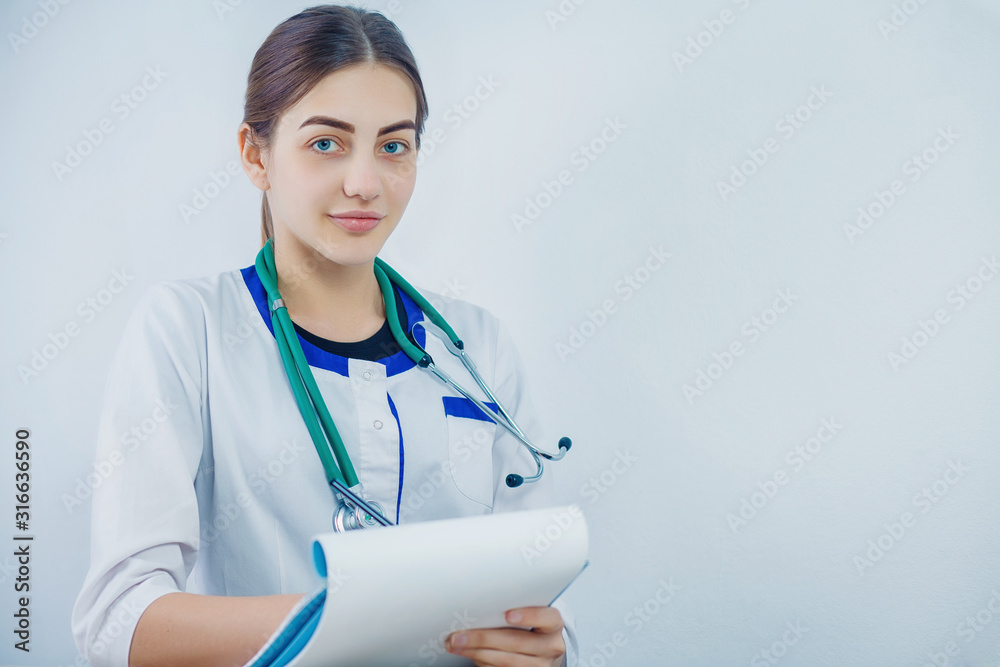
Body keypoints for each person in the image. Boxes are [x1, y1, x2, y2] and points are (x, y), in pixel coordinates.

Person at [70, 5, 578, 667]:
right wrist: (349, 614)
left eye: (393, 145)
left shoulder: (477, 346)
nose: (365, 183)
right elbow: (117, 625)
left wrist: (549, 651)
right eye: (326, 142)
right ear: (256, 154)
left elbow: (548, 609)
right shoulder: (185, 330)